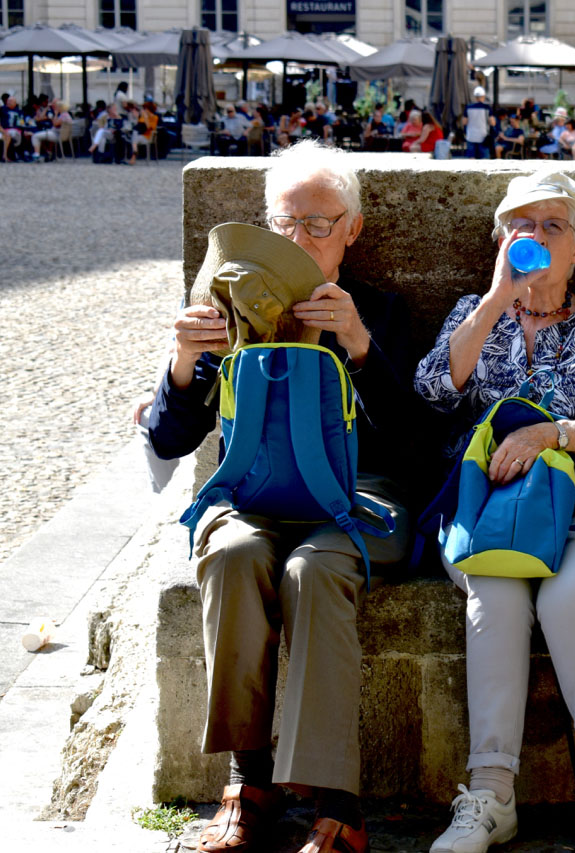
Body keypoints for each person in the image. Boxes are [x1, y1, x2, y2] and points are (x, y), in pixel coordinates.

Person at [147, 139, 417, 853]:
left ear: (352, 230)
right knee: (231, 552)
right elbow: (173, 438)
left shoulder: (382, 313)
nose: (297, 239)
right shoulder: (230, 310)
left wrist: (359, 344)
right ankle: (249, 781)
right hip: (254, 495)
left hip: (357, 500)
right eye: (284, 223)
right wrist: (182, 361)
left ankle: (338, 806)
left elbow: (418, 440)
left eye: (317, 224)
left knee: (315, 570)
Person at [414, 171, 575, 853]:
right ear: (501, 240)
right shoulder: (475, 311)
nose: (538, 238)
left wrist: (551, 434)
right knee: (494, 590)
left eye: (554, 225)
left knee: (569, 597)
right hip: (488, 516)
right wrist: (495, 301)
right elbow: (432, 390)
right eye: (523, 225)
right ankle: (489, 795)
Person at [463, 86, 494, 159]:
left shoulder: (468, 107)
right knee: (484, 159)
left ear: (475, 97)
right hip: (483, 136)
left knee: (471, 158)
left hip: (470, 136)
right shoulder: (487, 108)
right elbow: (492, 122)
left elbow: (464, 122)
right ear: (483, 96)